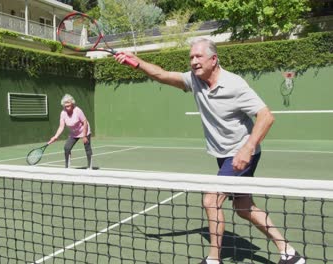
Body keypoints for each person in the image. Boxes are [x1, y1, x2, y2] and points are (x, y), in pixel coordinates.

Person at [115, 38, 305, 264]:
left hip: (241, 153)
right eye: (191, 57)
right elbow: (162, 75)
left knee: (211, 200)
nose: (193, 61)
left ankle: (214, 259)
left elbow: (266, 116)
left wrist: (247, 148)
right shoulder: (194, 80)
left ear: (214, 59)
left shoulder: (235, 85)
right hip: (224, 154)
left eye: (198, 57)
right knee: (243, 207)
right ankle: (289, 253)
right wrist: (135, 62)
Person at [48, 94, 93, 169]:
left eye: (68, 105)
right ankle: (67, 167)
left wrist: (84, 136)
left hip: (84, 130)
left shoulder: (78, 111)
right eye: (65, 106)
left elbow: (85, 122)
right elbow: (61, 126)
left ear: (72, 104)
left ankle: (90, 166)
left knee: (87, 147)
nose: (67, 108)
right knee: (67, 148)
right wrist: (55, 136)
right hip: (74, 133)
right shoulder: (63, 113)